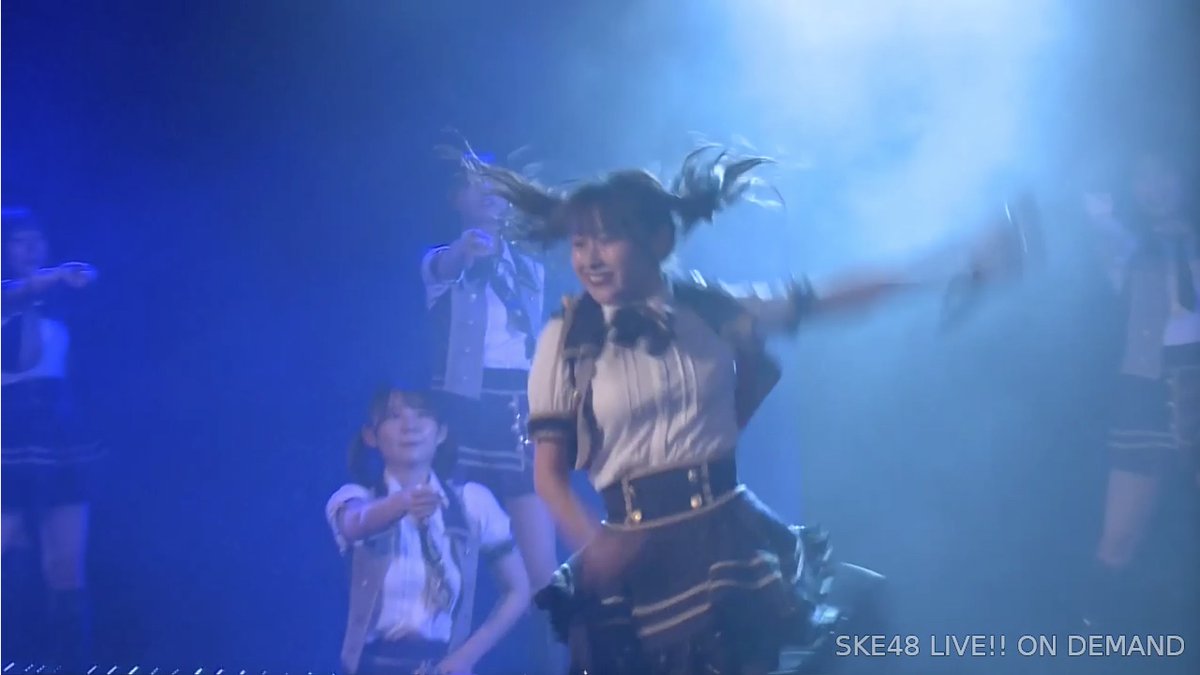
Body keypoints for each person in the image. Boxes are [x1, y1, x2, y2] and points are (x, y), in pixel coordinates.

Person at [474, 148, 1020, 673]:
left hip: (725, 538)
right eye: (579, 243)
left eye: (607, 239)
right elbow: (547, 475)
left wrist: (954, 267)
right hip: (639, 556)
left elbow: (823, 298)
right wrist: (594, 545)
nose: (589, 258)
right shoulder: (566, 338)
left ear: (658, 240)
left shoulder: (709, 309)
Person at [418, 150, 562, 667]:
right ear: (456, 199)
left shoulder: (529, 263)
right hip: (461, 408)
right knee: (453, 554)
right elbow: (448, 265)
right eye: (476, 187)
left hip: (518, 407)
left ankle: (564, 661)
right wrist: (466, 251)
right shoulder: (442, 260)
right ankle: (441, 659)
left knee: (543, 569)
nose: (490, 196)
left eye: (498, 187)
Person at [325, 385, 530, 675]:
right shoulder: (355, 498)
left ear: (441, 432)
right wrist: (402, 501)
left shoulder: (472, 503)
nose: (410, 426)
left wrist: (466, 657)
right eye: (394, 416)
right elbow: (356, 523)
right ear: (371, 436)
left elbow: (518, 589)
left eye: (422, 414)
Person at [1081, 150, 1199, 629]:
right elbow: (1098, 223)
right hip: (1144, 392)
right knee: (1119, 537)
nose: (1156, 187)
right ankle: (1093, 634)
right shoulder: (1126, 246)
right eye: (1143, 178)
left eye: (1163, 173)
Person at [1, 207, 101, 669]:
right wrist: (55, 277)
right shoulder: (11, 293)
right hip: (8, 430)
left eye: (37, 239)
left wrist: (73, 278)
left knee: (65, 565)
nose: (32, 248)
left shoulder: (55, 303)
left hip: (58, 431)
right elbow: (19, 349)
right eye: (20, 240)